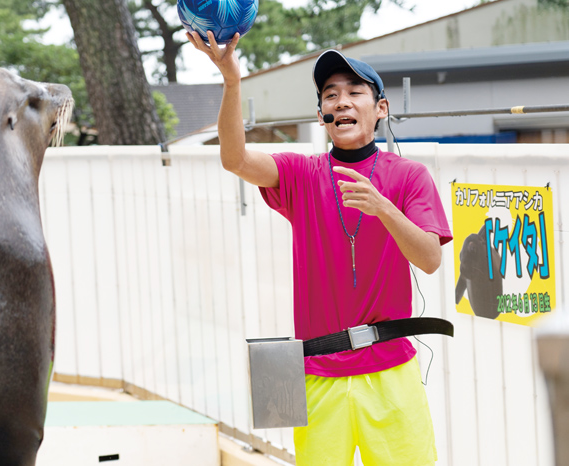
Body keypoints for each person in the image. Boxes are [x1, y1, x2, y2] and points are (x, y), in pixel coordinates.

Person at [187, 30, 453, 466]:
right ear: (321, 116)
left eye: (355, 92)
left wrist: (384, 208)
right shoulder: (301, 174)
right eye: (331, 95)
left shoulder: (408, 177)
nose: (342, 102)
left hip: (390, 371)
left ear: (380, 108)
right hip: (317, 373)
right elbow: (234, 159)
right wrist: (232, 81)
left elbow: (429, 259)